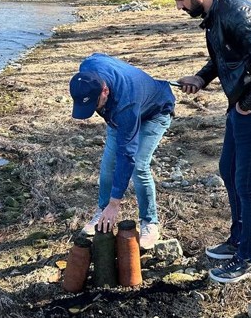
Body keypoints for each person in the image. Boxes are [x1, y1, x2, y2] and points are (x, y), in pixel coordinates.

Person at [160, 0, 251, 283]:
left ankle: (248, 257)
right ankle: (238, 240)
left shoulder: (237, 13)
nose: (178, 7)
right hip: (242, 104)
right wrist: (201, 79)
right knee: (227, 169)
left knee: (247, 182)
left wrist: (246, 104)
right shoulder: (214, 14)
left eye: (180, 0)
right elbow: (222, 57)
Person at [70, 53, 175, 251]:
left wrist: (115, 203)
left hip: (155, 113)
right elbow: (98, 57)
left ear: (105, 91)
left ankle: (150, 222)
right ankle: (102, 211)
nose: (94, 111)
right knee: (108, 164)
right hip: (119, 111)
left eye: (95, 106)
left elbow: (127, 155)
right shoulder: (88, 68)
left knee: (139, 165)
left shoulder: (126, 104)